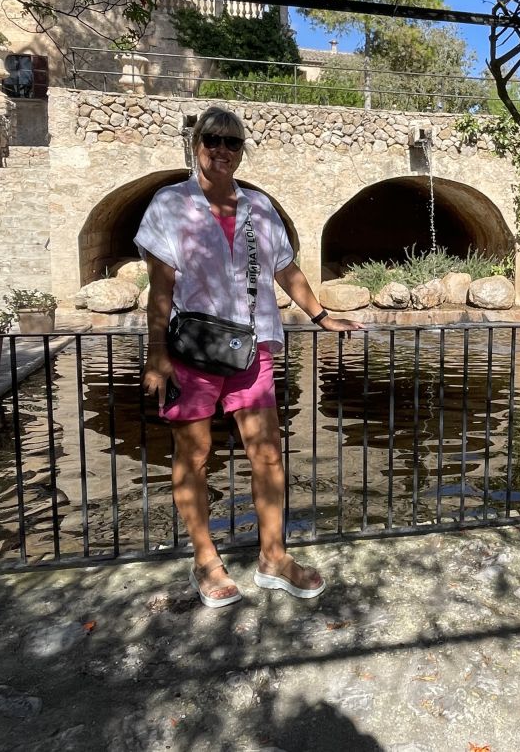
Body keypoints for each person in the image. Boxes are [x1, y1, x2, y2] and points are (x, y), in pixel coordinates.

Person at [136, 106, 359, 608]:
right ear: (196, 144)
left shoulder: (259, 207)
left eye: (232, 142)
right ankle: (205, 561)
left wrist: (323, 316)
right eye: (212, 139)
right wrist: (155, 354)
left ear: (242, 151)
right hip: (191, 350)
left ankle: (273, 558)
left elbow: (286, 269)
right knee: (193, 456)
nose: (221, 149)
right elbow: (160, 287)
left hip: (251, 348)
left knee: (267, 454)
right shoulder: (169, 204)